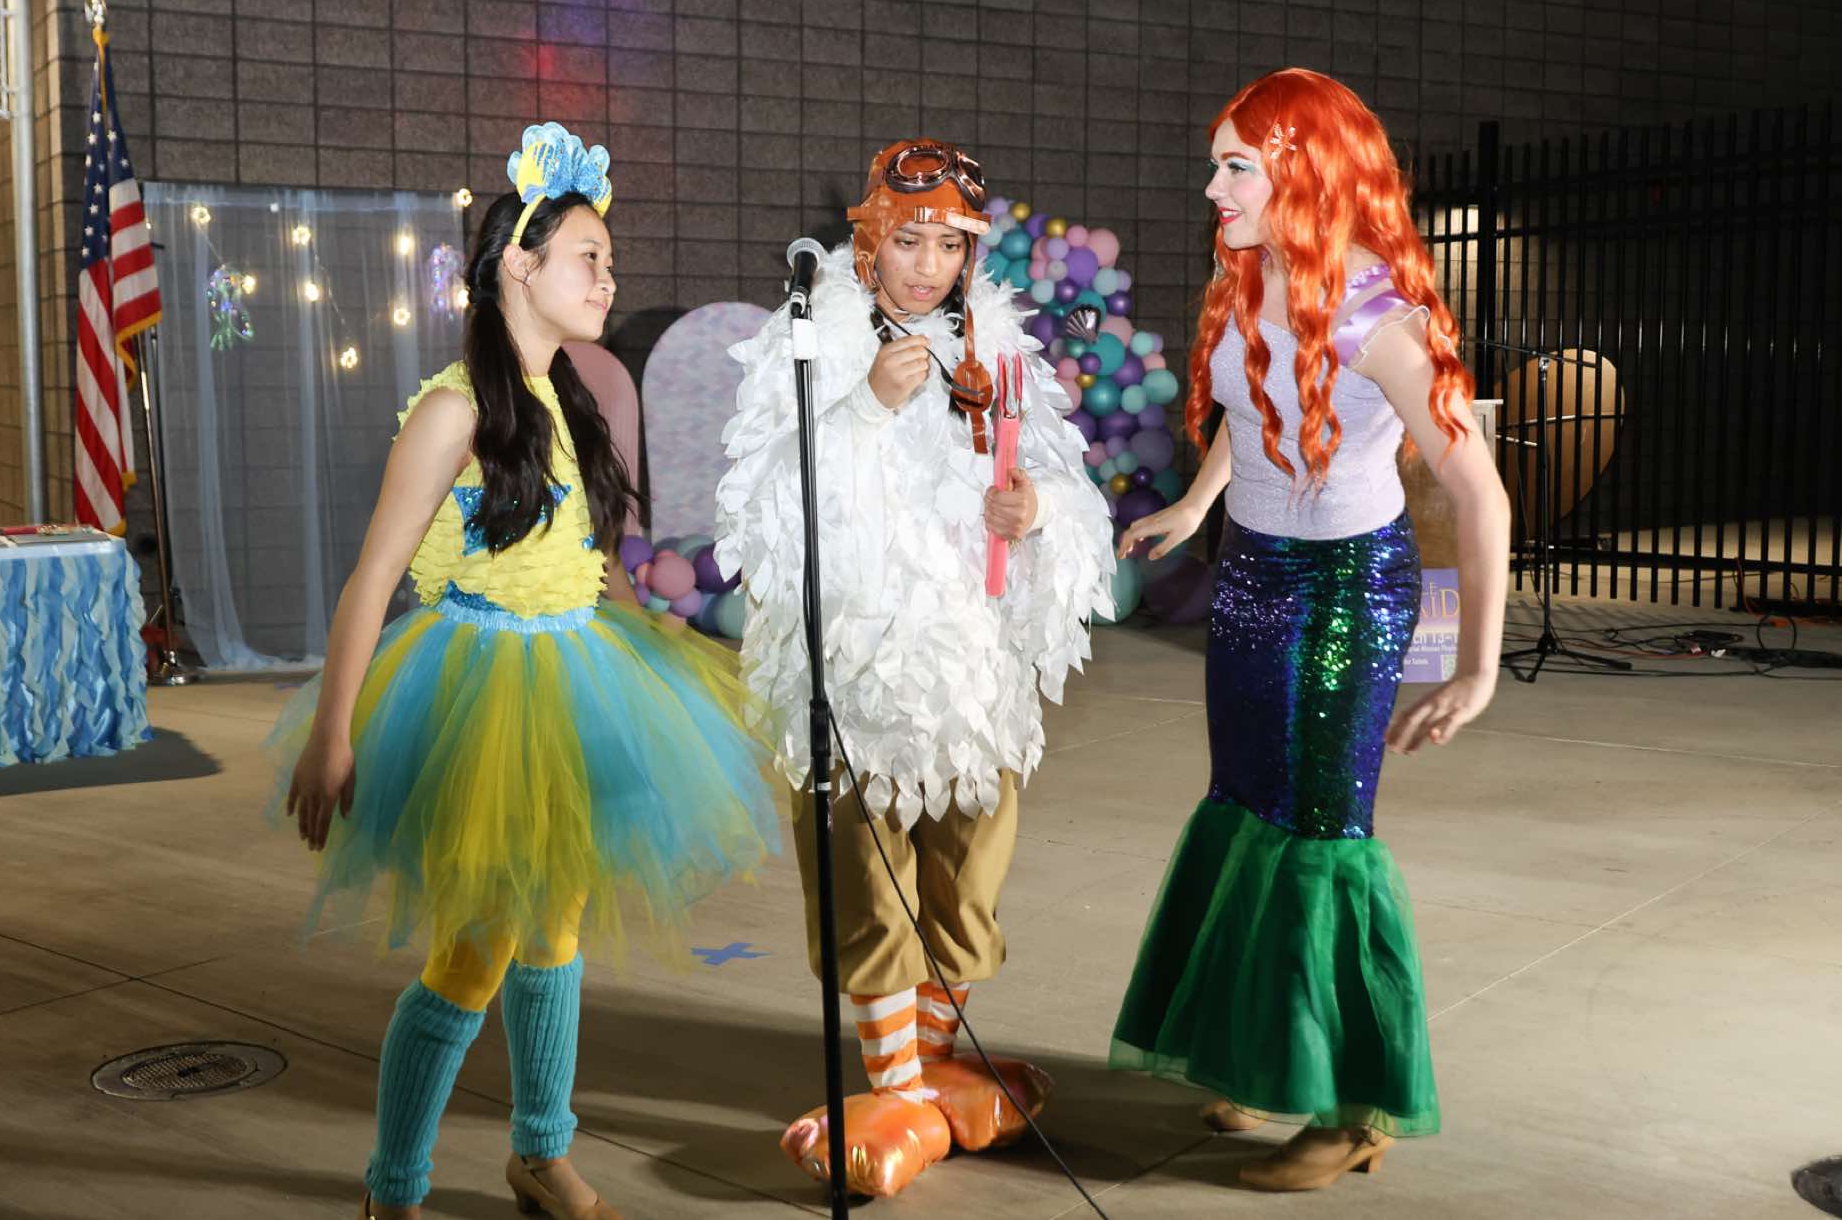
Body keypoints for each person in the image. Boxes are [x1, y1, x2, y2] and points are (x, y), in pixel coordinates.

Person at [272, 123, 777, 1220]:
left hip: (573, 680)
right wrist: (332, 731)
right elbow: (372, 578)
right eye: (589, 257)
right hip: (482, 694)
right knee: (473, 954)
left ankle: (539, 1153)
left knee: (556, 932)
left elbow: (586, 562)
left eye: (609, 261)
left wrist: (655, 650)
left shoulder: (568, 398)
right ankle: (393, 1190)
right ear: (519, 264)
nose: (608, 278)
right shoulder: (454, 409)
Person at [1109, 69, 1511, 1192]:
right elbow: (1254, 406)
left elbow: (1478, 494)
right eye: (1217, 163)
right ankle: (1265, 1054)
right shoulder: (1248, 274)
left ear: (1307, 173)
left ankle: (1354, 1105)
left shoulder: (1382, 317)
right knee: (1247, 810)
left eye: (1236, 165)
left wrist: (1476, 667)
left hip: (1344, 590)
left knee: (1323, 834)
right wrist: (1196, 503)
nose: (1213, 187)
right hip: (1250, 577)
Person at [715, 139, 1116, 1197]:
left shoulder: (998, 344)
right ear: (869, 242)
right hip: (862, 670)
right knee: (866, 871)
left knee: (968, 870)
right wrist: (864, 407)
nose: (929, 265)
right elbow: (762, 510)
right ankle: (895, 1083)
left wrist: (1035, 510)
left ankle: (933, 1070)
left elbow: (1065, 487)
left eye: (949, 244)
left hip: (971, 672)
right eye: (909, 241)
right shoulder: (808, 338)